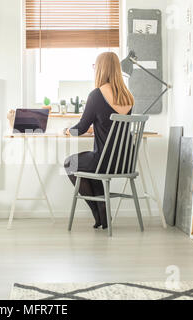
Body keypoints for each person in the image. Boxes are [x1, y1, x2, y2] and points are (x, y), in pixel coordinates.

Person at [64, 52, 135, 230]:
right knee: (90, 166)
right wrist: (94, 129)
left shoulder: (96, 95)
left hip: (105, 161)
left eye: (95, 66)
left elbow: (79, 128)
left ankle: (99, 212)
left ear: (101, 69)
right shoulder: (128, 96)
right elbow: (112, 124)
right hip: (125, 162)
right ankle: (103, 215)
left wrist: (67, 130)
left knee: (70, 163)